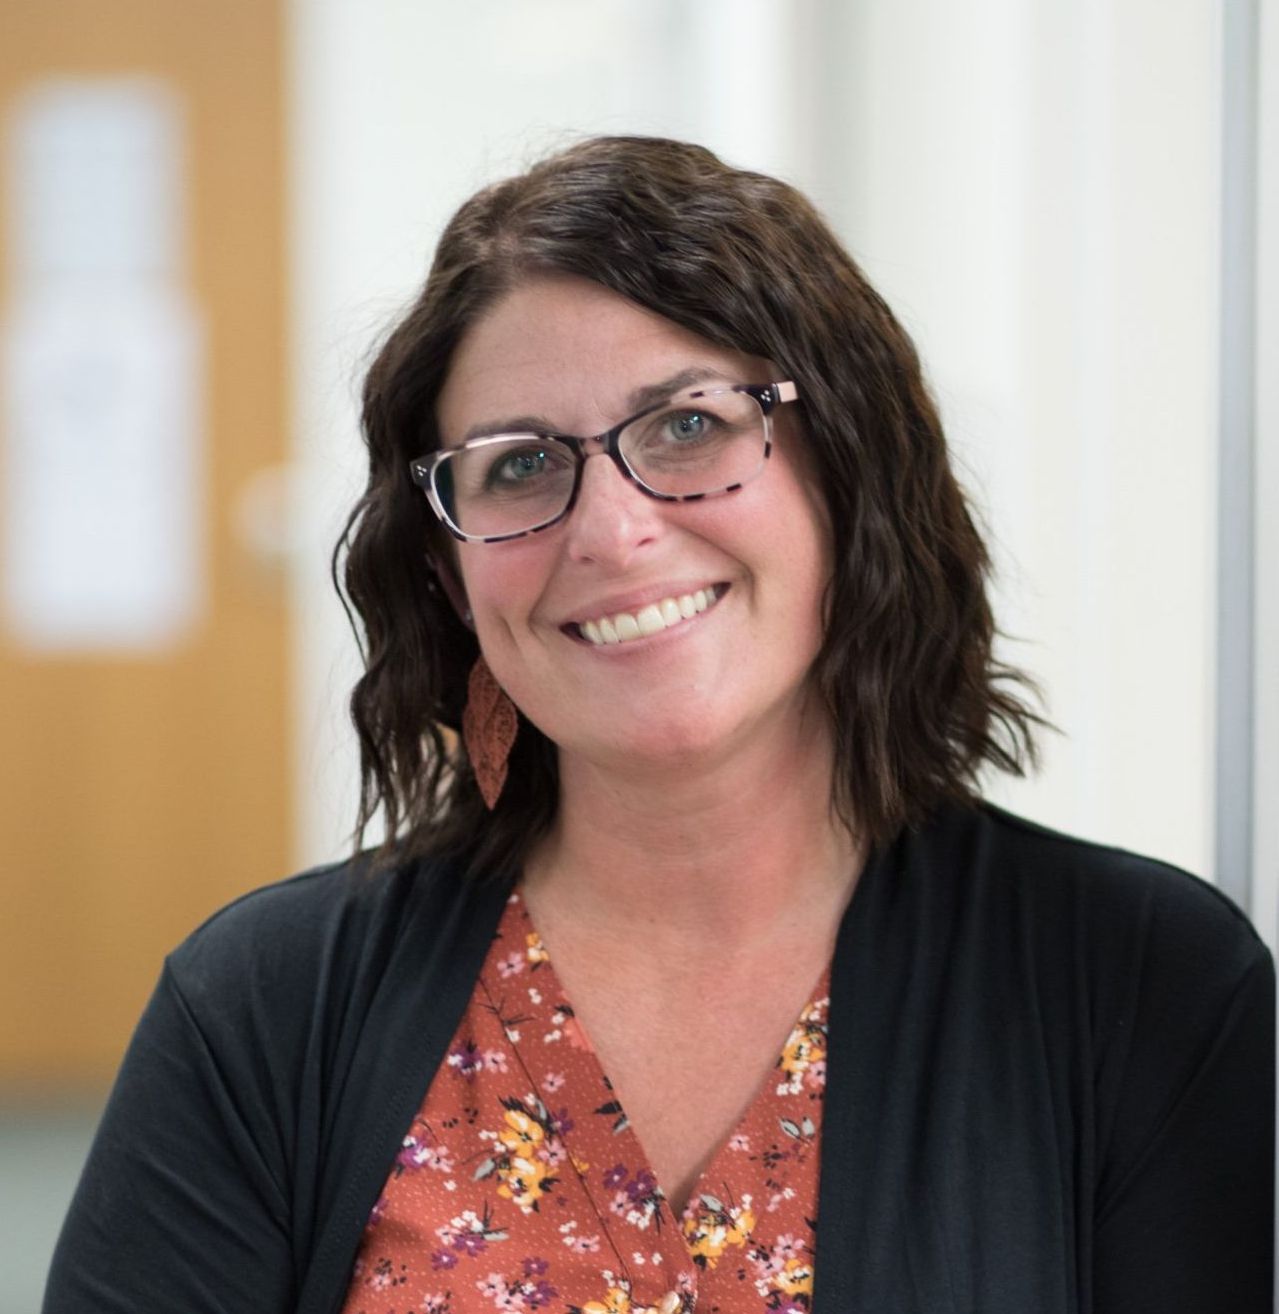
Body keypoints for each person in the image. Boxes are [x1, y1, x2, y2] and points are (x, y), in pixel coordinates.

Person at [44, 137, 1273, 1314]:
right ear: (446, 575)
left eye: (688, 425)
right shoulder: (262, 1009)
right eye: (519, 465)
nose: (612, 531)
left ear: (850, 468)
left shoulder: (1142, 989)